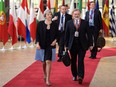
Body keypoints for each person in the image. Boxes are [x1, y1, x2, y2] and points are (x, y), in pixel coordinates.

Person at [65, 9, 93, 84]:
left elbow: (89, 34)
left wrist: (91, 44)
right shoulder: (69, 23)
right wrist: (66, 45)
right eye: (75, 14)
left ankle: (80, 76)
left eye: (78, 14)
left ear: (80, 14)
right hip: (72, 45)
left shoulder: (85, 23)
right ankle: (74, 74)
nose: (76, 15)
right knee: (73, 61)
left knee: (81, 60)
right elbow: (66, 35)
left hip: (82, 45)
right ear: (72, 15)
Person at [35, 10, 59, 86]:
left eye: (50, 14)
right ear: (45, 16)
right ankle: (44, 74)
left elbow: (58, 34)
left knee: (48, 61)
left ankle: (48, 79)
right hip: (42, 45)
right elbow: (37, 34)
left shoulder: (55, 24)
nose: (49, 16)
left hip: (50, 45)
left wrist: (55, 41)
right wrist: (37, 43)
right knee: (43, 62)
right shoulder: (40, 24)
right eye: (48, 14)